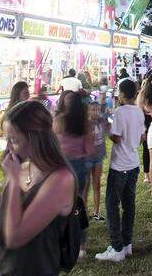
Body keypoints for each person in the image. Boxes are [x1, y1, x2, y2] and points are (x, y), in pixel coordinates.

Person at [0, 100, 78, 276]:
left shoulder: (61, 179)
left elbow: (14, 237)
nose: (8, 147)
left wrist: (13, 181)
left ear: (34, 138)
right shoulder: (22, 168)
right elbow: (6, 229)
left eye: (13, 140)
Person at [96, 79, 145, 263]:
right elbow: (142, 137)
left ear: (123, 94)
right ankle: (126, 244)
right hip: (133, 164)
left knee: (111, 206)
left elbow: (116, 138)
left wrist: (107, 127)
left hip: (119, 166)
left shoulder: (120, 112)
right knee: (129, 205)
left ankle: (117, 248)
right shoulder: (139, 112)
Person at [53, 91, 92, 256]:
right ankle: (81, 245)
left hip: (62, 167)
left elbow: (52, 146)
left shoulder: (58, 121)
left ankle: (61, 244)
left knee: (59, 208)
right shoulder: (85, 124)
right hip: (79, 166)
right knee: (79, 207)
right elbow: (89, 150)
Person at [85, 99, 109, 222]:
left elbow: (109, 128)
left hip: (98, 157)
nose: (96, 112)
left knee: (97, 184)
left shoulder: (101, 121)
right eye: (93, 110)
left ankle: (96, 212)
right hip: (88, 158)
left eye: (98, 110)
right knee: (86, 185)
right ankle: (83, 211)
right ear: (88, 111)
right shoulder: (85, 124)